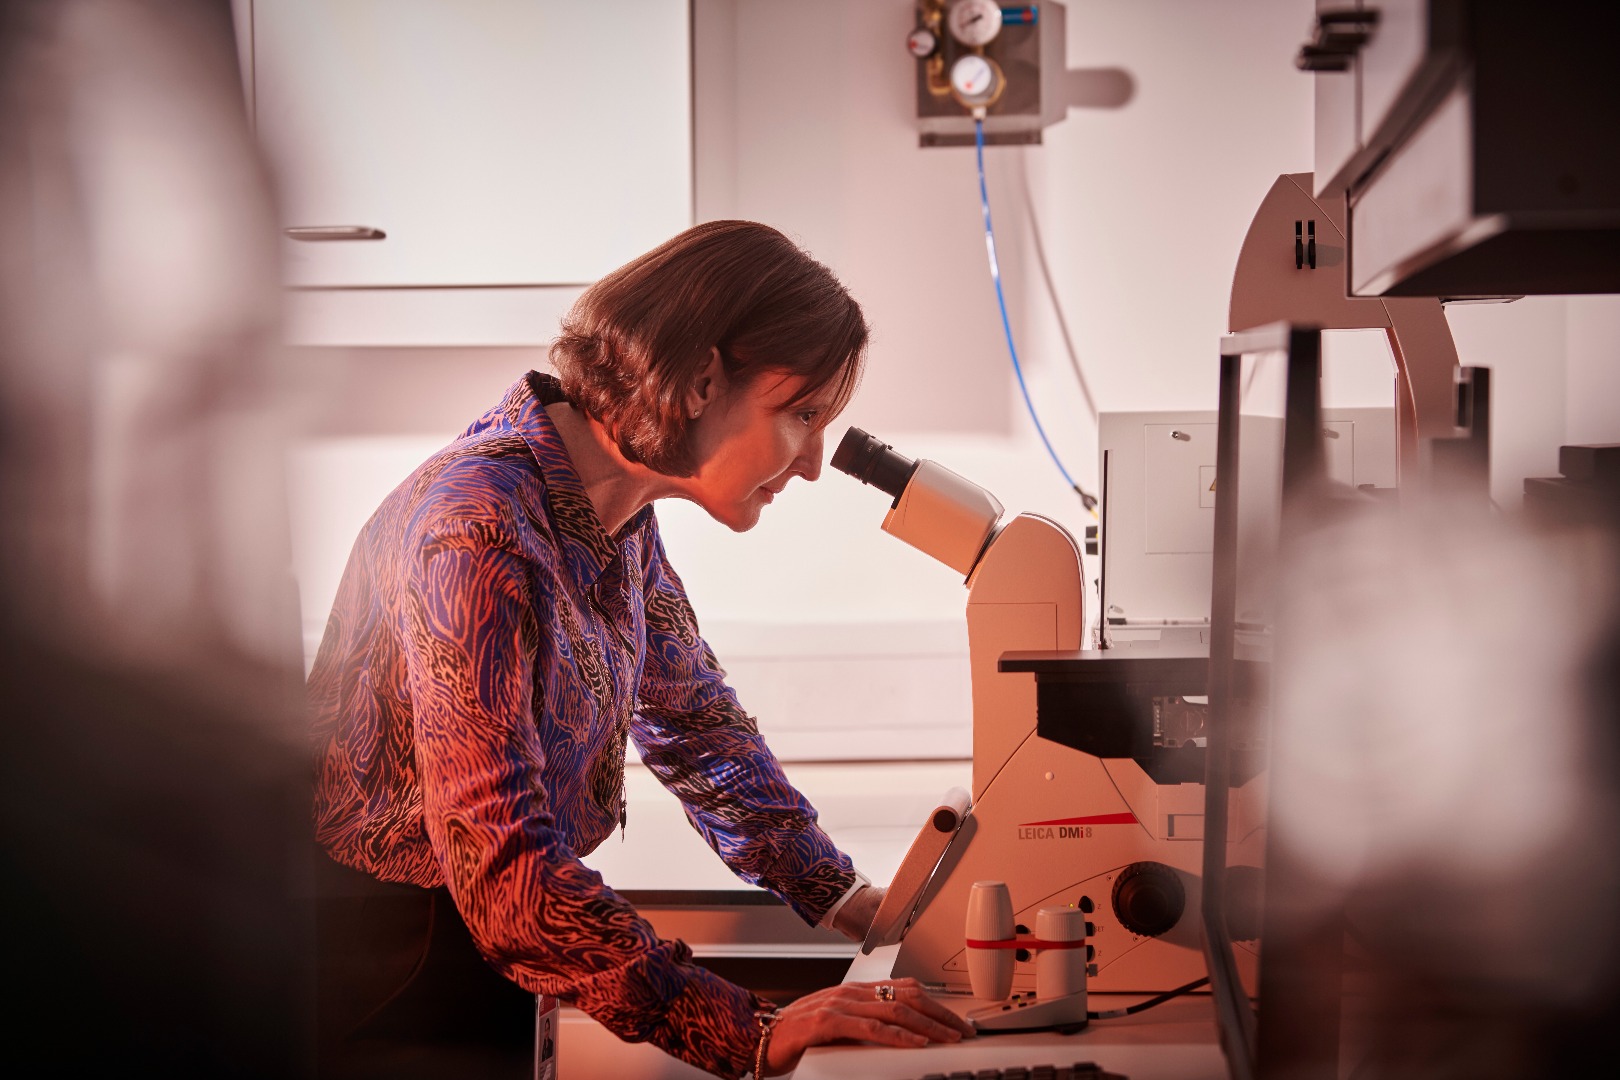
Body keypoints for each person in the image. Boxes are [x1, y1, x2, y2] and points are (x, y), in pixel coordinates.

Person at [307, 219, 974, 1078]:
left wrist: (849, 901)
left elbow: (698, 728)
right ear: (699, 378)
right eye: (800, 414)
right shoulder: (476, 528)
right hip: (396, 962)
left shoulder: (608, 510)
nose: (809, 463)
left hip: (475, 939)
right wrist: (753, 1031)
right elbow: (502, 866)